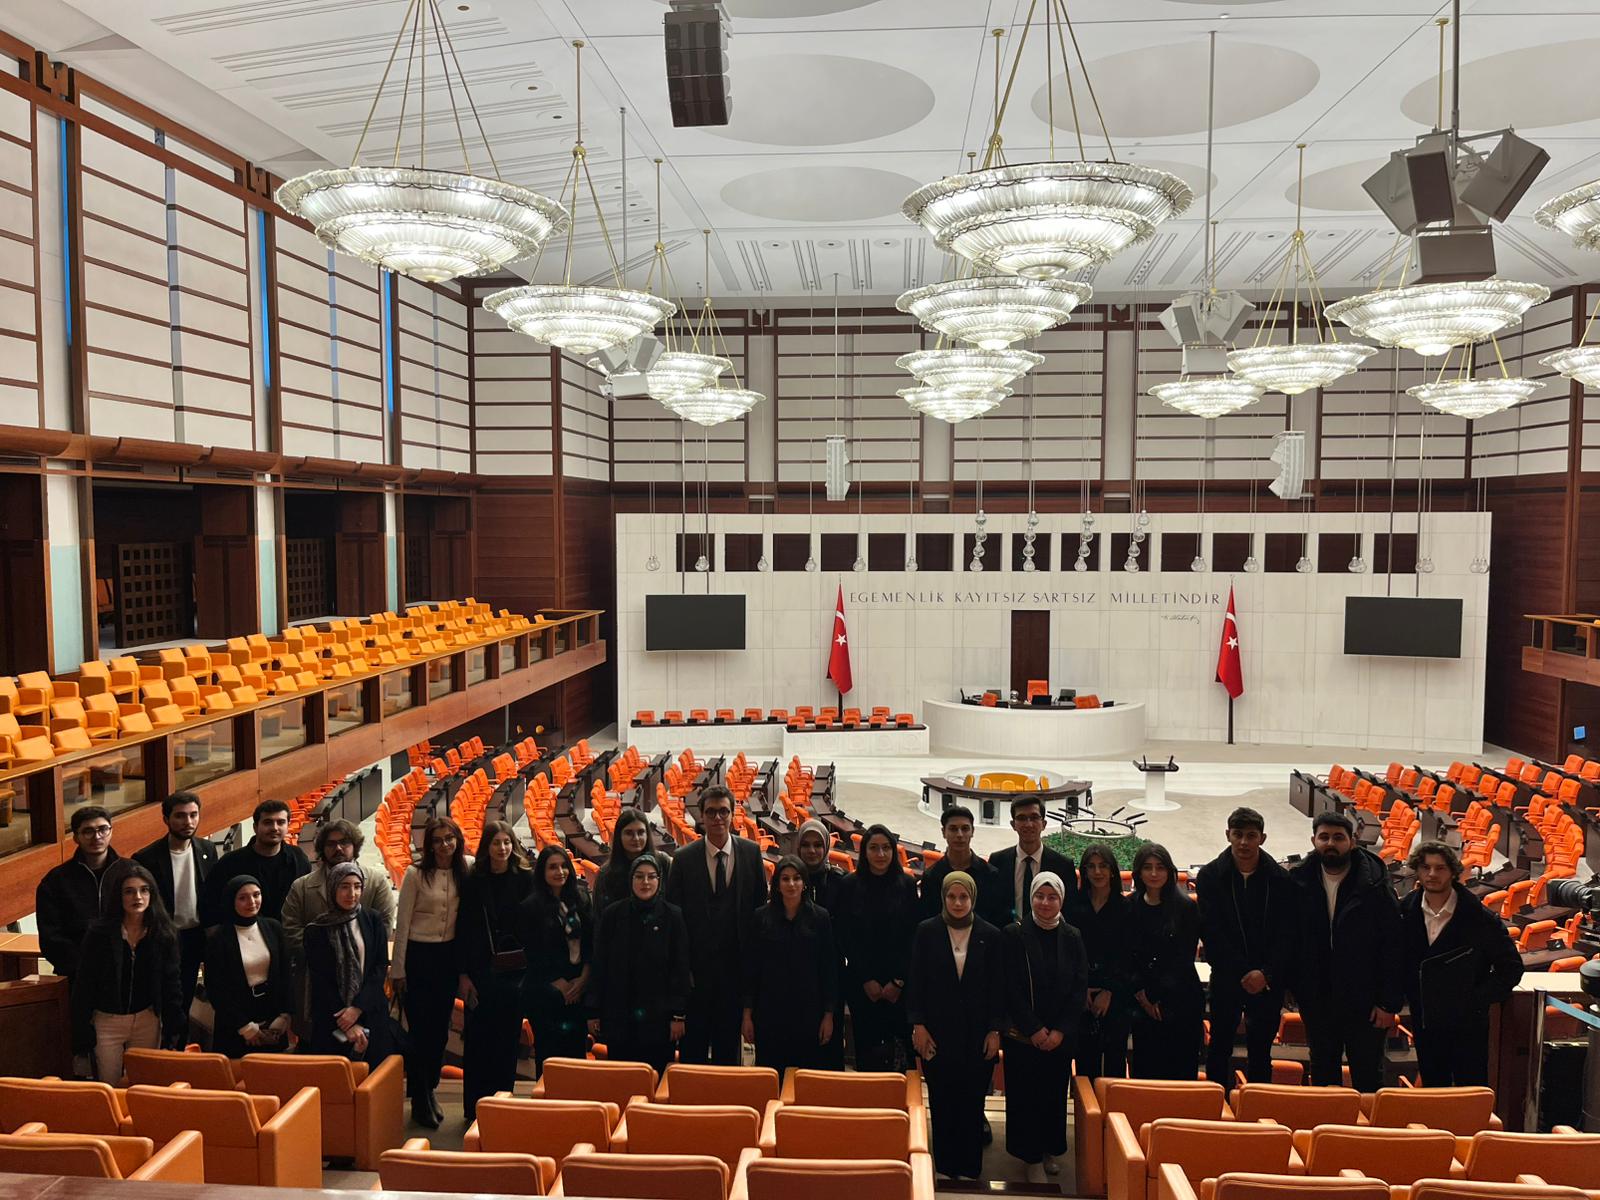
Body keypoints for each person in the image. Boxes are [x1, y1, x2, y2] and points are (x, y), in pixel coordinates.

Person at [1289, 811, 1404, 1091]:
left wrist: (1388, 1003)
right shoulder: (1298, 882)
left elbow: (1393, 946)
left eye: (1338, 837)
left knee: (1367, 1077)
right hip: (1318, 1000)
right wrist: (1297, 988)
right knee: (1323, 1075)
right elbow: (1291, 940)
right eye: (1324, 837)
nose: (1331, 843)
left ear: (1352, 841)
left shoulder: (1375, 884)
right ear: (1314, 841)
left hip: (1366, 1002)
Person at [1401, 840, 1523, 1087]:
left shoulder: (1480, 918)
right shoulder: (1404, 912)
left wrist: (1474, 999)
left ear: (1453, 872)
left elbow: (1511, 968)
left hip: (1469, 1027)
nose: (1432, 874)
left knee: (1471, 1091)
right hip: (1426, 1023)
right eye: (1425, 867)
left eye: (1440, 868)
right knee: (1434, 1093)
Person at [908, 872, 1003, 1182]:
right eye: (952, 896)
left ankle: (970, 1169)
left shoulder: (990, 934)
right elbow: (917, 982)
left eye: (964, 897)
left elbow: (997, 988)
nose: (958, 903)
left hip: (978, 1034)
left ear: (973, 898)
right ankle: (946, 1168)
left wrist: (994, 1030)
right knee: (942, 1100)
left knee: (972, 1102)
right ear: (943, 897)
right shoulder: (927, 931)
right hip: (938, 1033)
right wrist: (919, 1025)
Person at [663, 785, 766, 1065]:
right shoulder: (683, 858)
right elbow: (675, 918)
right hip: (695, 976)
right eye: (711, 812)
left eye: (723, 811)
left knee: (728, 1054)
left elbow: (759, 912)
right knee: (692, 1053)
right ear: (701, 816)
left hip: (736, 974)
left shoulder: (751, 853)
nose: (717, 818)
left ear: (733, 814)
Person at [1195, 807, 1294, 1086]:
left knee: (1261, 1053)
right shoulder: (1210, 876)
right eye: (1238, 835)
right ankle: (1216, 1103)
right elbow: (1211, 933)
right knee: (1219, 1048)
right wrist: (1243, 972)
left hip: (1267, 982)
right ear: (1228, 835)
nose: (1243, 842)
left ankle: (1257, 1105)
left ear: (1262, 838)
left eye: (1251, 836)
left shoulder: (1280, 879)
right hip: (1227, 978)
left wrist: (1266, 973)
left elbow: (1286, 934)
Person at [1001, 872, 1087, 1184]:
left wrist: (1061, 1030)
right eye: (1040, 896)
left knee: (1053, 1097)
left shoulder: (1072, 936)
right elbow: (1010, 988)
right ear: (1031, 898)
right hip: (1025, 1036)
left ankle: (1049, 1149)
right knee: (1025, 1098)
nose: (1045, 903)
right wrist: (1034, 1028)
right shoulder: (1014, 934)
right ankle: (1031, 1157)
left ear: (1061, 900)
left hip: (1058, 1038)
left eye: (1052, 897)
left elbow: (1079, 986)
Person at [282, 819, 396, 1040]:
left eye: (344, 842)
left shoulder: (375, 882)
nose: (338, 848)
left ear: (355, 845)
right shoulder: (302, 886)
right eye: (331, 844)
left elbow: (383, 927)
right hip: (319, 987)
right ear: (322, 848)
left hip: (365, 988)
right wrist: (328, 956)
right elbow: (291, 929)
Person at [71, 862, 184, 1083]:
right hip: (107, 1020)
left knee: (144, 1082)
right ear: (119, 896)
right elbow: (84, 982)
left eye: (144, 890)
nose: (137, 897)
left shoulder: (163, 933)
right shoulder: (99, 934)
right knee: (108, 1083)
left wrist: (174, 1024)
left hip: (146, 1018)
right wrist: (81, 1027)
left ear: (152, 894)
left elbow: (172, 982)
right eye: (129, 891)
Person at [391, 816, 470, 1128]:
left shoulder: (467, 868)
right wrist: (398, 970)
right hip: (418, 957)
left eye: (449, 838)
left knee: (439, 1032)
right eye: (438, 840)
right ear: (429, 845)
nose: (444, 845)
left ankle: (430, 1088)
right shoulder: (415, 874)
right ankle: (421, 1097)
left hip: (447, 958)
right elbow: (402, 924)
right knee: (420, 1032)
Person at [458, 822, 535, 1122]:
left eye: (506, 842)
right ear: (486, 847)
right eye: (496, 843)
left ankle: (502, 1108)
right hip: (480, 973)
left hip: (513, 974)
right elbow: (463, 930)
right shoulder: (474, 881)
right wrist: (463, 975)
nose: (502, 848)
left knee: (506, 1044)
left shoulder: (525, 879)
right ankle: (474, 1110)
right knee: (478, 1044)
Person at [588, 853, 690, 1074]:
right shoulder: (613, 915)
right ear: (630, 879)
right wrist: (593, 1010)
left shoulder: (673, 916)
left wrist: (678, 1015)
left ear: (659, 881)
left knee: (656, 1077)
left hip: (659, 1018)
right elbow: (600, 964)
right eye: (639, 876)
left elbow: (680, 968)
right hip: (619, 1016)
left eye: (651, 877)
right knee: (622, 1079)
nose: (646, 882)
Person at [742, 855, 838, 1076]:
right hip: (770, 1014)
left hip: (809, 1014)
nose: (791, 884)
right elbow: (752, 970)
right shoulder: (761, 917)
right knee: (771, 1076)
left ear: (805, 883)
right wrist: (747, 1015)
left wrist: (828, 1015)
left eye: (797, 878)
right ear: (777, 884)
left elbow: (828, 970)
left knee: (805, 1079)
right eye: (785, 879)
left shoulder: (820, 918)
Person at [835, 824, 920, 1072]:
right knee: (867, 1051)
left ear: (893, 850)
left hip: (899, 989)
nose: (880, 854)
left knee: (899, 1056)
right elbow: (846, 936)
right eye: (873, 848)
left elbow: (913, 936)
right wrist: (866, 979)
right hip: (863, 986)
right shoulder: (849, 885)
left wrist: (898, 982)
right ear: (864, 852)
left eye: (886, 848)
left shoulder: (906, 884)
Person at [133, 791, 218, 1022]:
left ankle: (181, 1041)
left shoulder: (207, 850)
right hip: (164, 936)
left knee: (189, 997)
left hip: (197, 935)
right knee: (164, 1000)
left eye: (193, 815)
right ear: (166, 819)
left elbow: (211, 894)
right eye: (180, 816)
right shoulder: (146, 858)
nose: (188, 822)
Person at [1127, 843, 1205, 1081]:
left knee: (1180, 1075)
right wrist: (1142, 995)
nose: (1153, 873)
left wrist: (1153, 996)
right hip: (1142, 1005)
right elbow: (1129, 956)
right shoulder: (1130, 906)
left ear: (1169, 871)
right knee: (1146, 1075)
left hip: (1180, 1003)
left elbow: (1182, 959)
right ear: (1138, 872)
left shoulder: (1186, 907)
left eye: (1160, 867)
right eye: (1147, 867)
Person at [304, 861, 393, 1063]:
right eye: (344, 887)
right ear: (332, 888)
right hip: (333, 1015)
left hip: (370, 1009)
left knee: (375, 1074)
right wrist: (346, 1021)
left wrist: (357, 1008)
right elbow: (321, 980)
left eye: (357, 886)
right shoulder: (317, 929)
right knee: (336, 1075)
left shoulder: (373, 920)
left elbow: (379, 967)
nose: (351, 893)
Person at [518, 845, 593, 1075]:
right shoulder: (530, 907)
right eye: (552, 867)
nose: (560, 872)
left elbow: (590, 942)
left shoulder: (581, 899)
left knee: (576, 1058)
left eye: (563, 866)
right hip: (546, 992)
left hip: (578, 991)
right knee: (550, 1058)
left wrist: (583, 978)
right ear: (542, 872)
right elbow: (533, 952)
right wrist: (559, 984)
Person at [203, 876, 292, 1059]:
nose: (252, 902)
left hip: (273, 1017)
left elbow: (286, 975)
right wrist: (245, 1027)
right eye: (243, 898)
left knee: (275, 1071)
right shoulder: (218, 938)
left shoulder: (273, 927)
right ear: (231, 900)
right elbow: (216, 989)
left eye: (256, 895)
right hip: (236, 1021)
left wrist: (285, 1015)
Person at [1067, 843, 1134, 1082]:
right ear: (1084, 871)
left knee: (1114, 1062)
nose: (1097, 872)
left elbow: (1128, 956)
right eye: (1091, 866)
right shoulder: (1073, 906)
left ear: (1113, 871)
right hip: (1081, 996)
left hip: (1116, 996)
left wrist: (1109, 990)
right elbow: (1069, 953)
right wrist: (1082, 988)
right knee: (1085, 1064)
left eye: (1103, 866)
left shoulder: (1126, 908)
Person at [37, 806, 121, 981]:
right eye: (88, 831)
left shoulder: (130, 872)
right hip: (77, 974)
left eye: (103, 829)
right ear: (76, 837)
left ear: (111, 831)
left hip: (125, 970)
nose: (97, 837)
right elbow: (50, 935)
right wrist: (81, 965)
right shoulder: (56, 880)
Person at [204, 801, 311, 924]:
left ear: (287, 826)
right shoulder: (230, 863)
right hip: (245, 932)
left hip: (290, 931)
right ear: (255, 827)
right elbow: (210, 901)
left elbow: (307, 898)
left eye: (280, 822)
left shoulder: (299, 858)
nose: (274, 828)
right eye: (267, 822)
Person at [795, 819, 847, 1069]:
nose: (812, 850)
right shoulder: (790, 878)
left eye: (818, 845)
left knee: (828, 1049)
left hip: (830, 975)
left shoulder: (840, 881)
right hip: (796, 977)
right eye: (805, 845)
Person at [988, 796, 1076, 927]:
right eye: (1022, 818)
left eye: (1034, 817)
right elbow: (992, 906)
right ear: (1013, 824)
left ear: (1044, 824)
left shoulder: (1063, 865)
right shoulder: (997, 861)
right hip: (1007, 935)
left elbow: (1070, 911)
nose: (1028, 824)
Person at [918, 806, 1006, 928]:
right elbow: (929, 920)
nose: (960, 835)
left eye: (965, 829)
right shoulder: (931, 876)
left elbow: (997, 919)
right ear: (943, 832)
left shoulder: (990, 874)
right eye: (953, 829)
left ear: (972, 831)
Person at [595, 808, 670, 913]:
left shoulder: (663, 862)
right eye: (629, 833)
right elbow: (600, 915)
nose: (636, 838)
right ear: (619, 836)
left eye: (641, 832)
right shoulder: (606, 873)